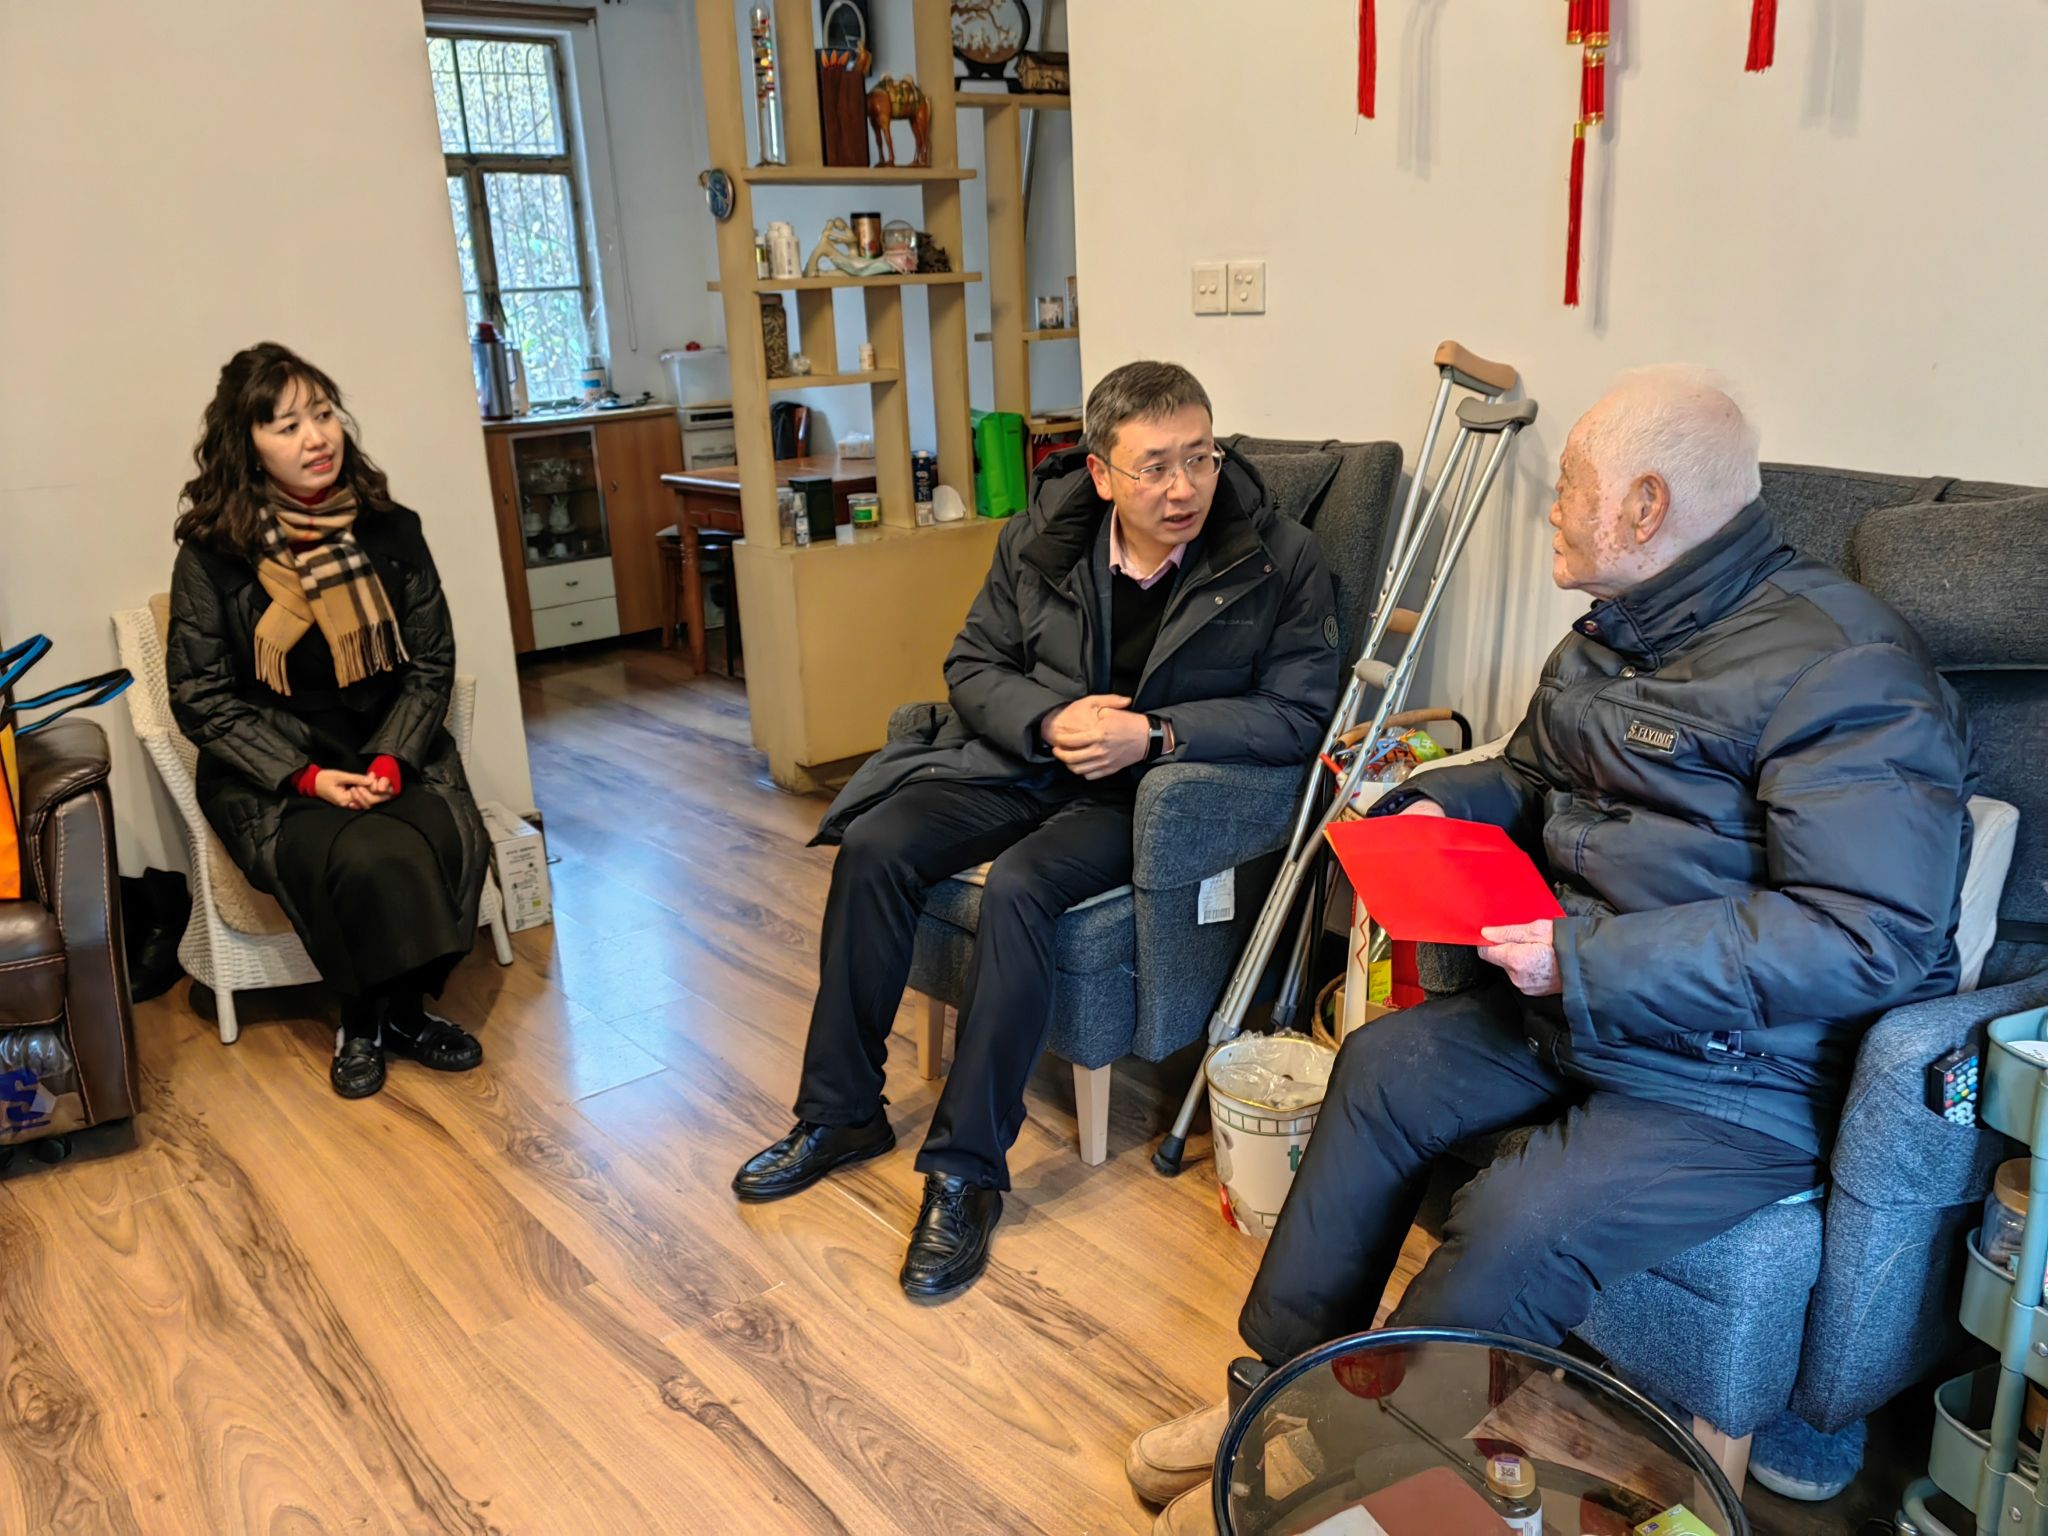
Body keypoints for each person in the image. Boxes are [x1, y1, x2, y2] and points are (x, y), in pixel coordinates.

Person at [1126, 368, 1975, 1533]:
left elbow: (1863, 935)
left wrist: (1582, 961)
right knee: (1379, 1067)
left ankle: (1344, 1471)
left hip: (1735, 1077)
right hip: (1575, 1012)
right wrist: (1434, 805)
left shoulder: (1848, 672)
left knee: (1515, 1222)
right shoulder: (1611, 632)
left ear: (1643, 506)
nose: (1551, 507)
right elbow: (1528, 775)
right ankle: (1272, 1393)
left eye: (1570, 486)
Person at [732, 361, 1341, 1298]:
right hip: (1026, 762)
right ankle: (841, 1113)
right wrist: (1050, 722)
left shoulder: (1276, 556)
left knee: (1021, 887)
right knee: (875, 844)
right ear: (1101, 473)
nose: (1184, 487)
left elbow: (1300, 713)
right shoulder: (1043, 536)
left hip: (1139, 797)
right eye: (1154, 467)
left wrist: (1156, 733)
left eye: (1201, 458)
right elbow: (974, 665)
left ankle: (966, 1173)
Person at [167, 343, 490, 1099]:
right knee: (367, 856)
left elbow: (431, 663)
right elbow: (201, 695)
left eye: (322, 414)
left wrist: (392, 759)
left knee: (440, 837)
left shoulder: (391, 530)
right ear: (247, 446)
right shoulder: (212, 556)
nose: (316, 437)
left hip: (388, 744)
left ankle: (399, 1016)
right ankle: (366, 1019)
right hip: (273, 768)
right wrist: (308, 777)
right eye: (286, 426)